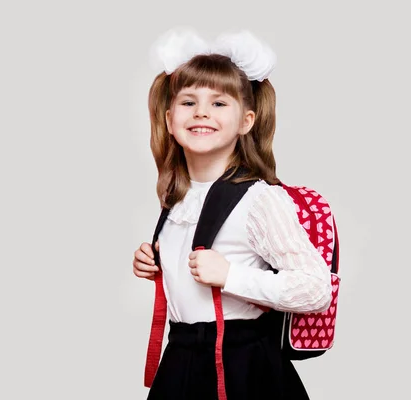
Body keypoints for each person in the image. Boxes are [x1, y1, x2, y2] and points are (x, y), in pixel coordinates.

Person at [132, 28, 333, 399]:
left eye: (219, 103)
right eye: (188, 102)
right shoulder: (178, 196)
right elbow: (195, 272)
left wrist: (230, 276)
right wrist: (158, 263)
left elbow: (315, 288)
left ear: (247, 121)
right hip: (181, 360)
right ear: (168, 117)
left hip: (243, 368)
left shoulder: (259, 199)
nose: (202, 112)